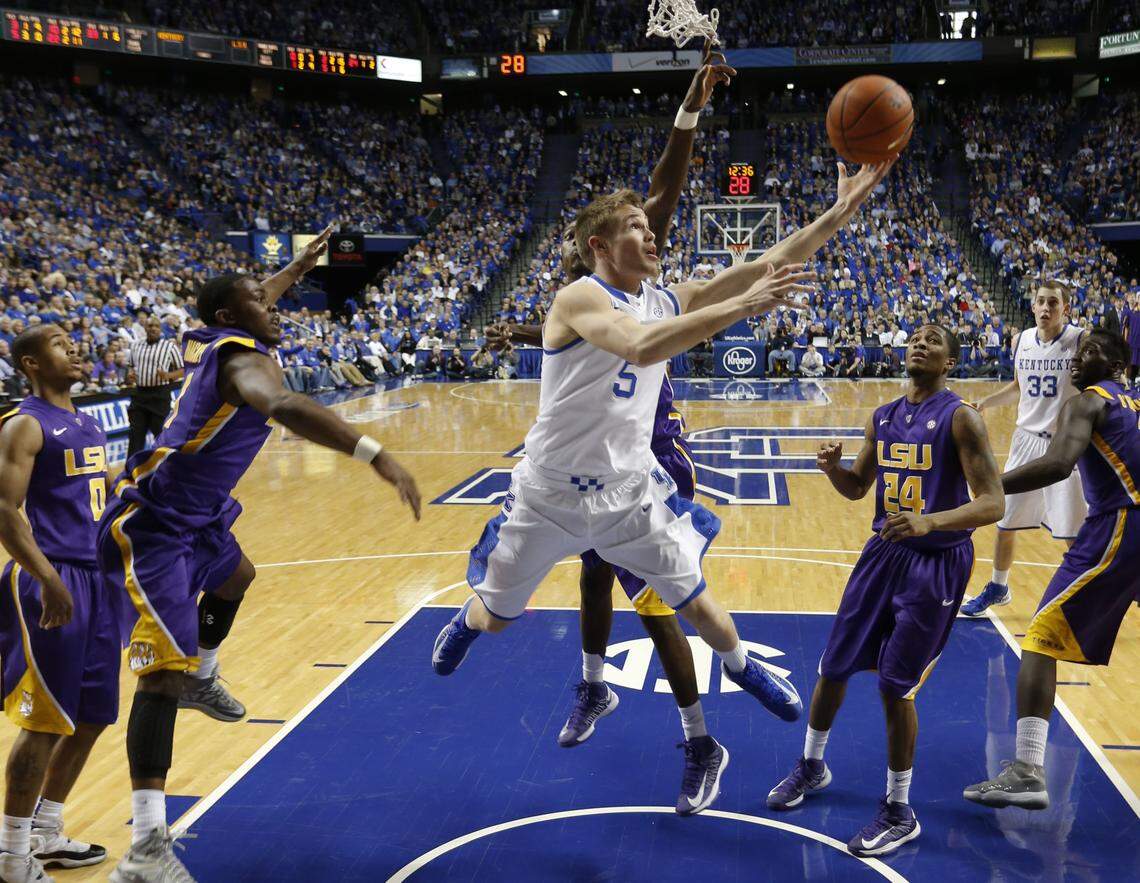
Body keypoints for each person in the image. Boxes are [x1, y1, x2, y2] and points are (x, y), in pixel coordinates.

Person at [101, 237, 422, 882]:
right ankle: (144, 849)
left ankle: (205, 673)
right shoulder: (241, 360)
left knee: (238, 576)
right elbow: (280, 404)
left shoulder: (223, 333)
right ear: (228, 316)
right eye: (258, 300)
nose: (276, 304)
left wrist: (301, 266)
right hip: (159, 519)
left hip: (202, 511)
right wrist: (373, 454)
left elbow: (256, 298)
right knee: (159, 675)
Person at [767, 324, 1004, 857]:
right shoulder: (884, 415)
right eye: (915, 338)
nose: (920, 344)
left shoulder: (961, 417)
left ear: (950, 362)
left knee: (896, 686)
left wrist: (931, 522)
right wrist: (832, 470)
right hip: (883, 555)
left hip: (936, 565)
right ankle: (811, 766)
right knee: (833, 665)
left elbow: (993, 503)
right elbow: (857, 488)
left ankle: (899, 810)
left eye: (934, 341)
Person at [963, 330, 1139, 808]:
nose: (1078, 359)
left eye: (1091, 352)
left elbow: (1060, 464)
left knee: (1040, 638)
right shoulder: (1134, 404)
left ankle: (1026, 770)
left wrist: (992, 486)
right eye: (1078, 353)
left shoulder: (1085, 403)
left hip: (1120, 524)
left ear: (1118, 362)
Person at [0, 325, 117, 881]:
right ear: (30, 363)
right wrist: (47, 578)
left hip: (96, 580)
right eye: (57, 343)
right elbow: (5, 511)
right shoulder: (24, 424)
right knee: (46, 722)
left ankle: (47, 830)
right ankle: (11, 855)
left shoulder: (86, 421)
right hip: (53, 578)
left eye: (73, 340)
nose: (73, 347)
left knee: (92, 715)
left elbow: (99, 493)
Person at [963, 281, 1087, 617]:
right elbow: (1019, 386)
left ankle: (1084, 596)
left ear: (1066, 309)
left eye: (1053, 303)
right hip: (1025, 440)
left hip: (1063, 447)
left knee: (1070, 533)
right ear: (1032, 306)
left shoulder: (1079, 340)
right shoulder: (1022, 341)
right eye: (1041, 302)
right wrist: (986, 403)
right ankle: (998, 587)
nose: (1046, 309)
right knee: (1004, 520)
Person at [126, 316, 183, 459]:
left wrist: (168, 376)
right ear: (145, 328)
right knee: (135, 434)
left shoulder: (169, 346)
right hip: (140, 394)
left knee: (161, 435)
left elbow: (183, 369)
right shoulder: (136, 345)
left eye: (156, 326)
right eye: (150, 326)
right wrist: (130, 375)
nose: (153, 328)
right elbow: (131, 367)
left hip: (160, 395)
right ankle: (130, 471)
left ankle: (168, 466)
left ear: (160, 329)